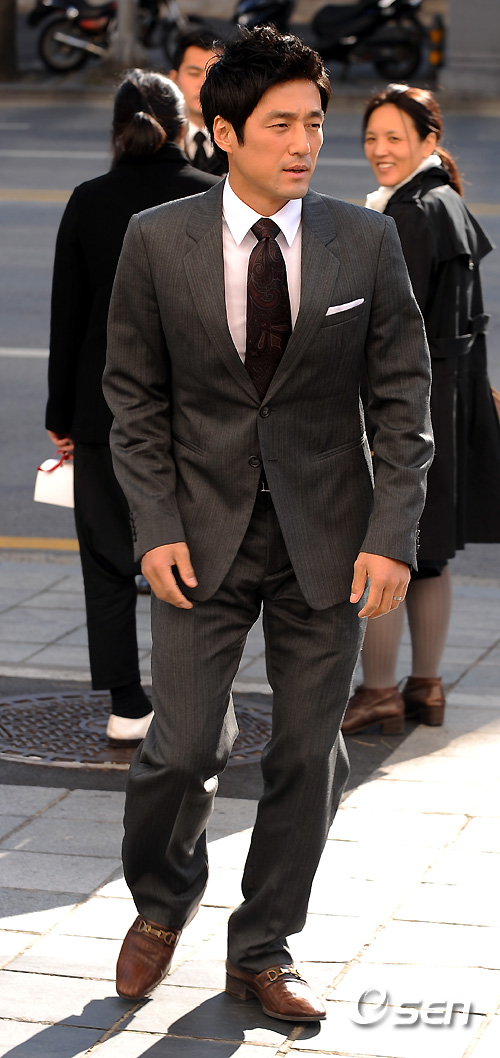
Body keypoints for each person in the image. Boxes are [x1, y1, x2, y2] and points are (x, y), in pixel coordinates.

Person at [103, 27, 433, 1021]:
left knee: (305, 752)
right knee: (179, 747)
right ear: (224, 132)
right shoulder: (156, 239)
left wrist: (390, 535)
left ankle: (263, 946)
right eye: (281, 124)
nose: (304, 144)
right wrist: (155, 523)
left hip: (326, 538)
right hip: (197, 536)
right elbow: (133, 397)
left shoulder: (363, 240)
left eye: (314, 123)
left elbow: (403, 401)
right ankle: (161, 903)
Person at [45, 69, 219, 744]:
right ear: (182, 128)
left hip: (103, 412)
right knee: (197, 554)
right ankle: (193, 697)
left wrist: (62, 417)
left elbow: (68, 319)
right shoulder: (212, 195)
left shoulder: (89, 200)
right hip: (197, 411)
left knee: (108, 562)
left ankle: (127, 704)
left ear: (116, 131)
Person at [342, 84, 500, 737]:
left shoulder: (408, 212)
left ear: (428, 140)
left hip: (411, 408)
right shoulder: (447, 201)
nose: (380, 149)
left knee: (383, 545)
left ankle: (379, 691)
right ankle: (426, 687)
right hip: (452, 401)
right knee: (428, 553)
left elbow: (386, 330)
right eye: (371, 137)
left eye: (394, 137)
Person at [169, 27, 227, 176]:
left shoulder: (239, 142)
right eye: (194, 74)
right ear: (174, 79)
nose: (203, 84)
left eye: (213, 74)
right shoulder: (160, 141)